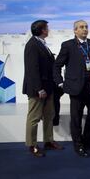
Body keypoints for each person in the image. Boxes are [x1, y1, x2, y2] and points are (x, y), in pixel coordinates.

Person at [54, 20, 90, 158]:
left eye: (86, 26)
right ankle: (78, 145)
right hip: (75, 88)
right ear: (75, 30)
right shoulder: (67, 45)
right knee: (76, 118)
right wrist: (60, 83)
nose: (85, 29)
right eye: (81, 27)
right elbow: (57, 66)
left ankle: (86, 140)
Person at [23, 20, 64, 157]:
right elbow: (32, 69)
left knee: (48, 116)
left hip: (48, 88)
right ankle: (32, 145)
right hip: (38, 89)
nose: (48, 30)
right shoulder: (32, 45)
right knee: (34, 118)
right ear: (42, 30)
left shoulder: (41, 43)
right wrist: (39, 89)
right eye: (47, 28)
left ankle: (48, 141)